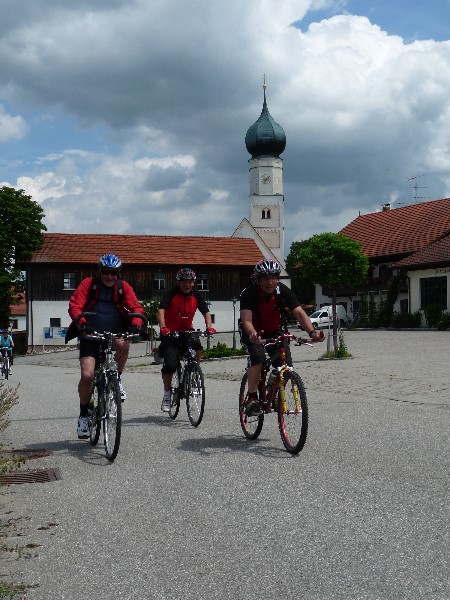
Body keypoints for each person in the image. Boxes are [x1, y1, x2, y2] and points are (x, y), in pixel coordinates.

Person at [67, 254, 145, 439]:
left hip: (115, 330)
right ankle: (84, 415)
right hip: (90, 332)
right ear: (100, 272)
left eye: (114, 273)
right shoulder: (89, 284)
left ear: (118, 273)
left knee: (123, 346)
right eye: (107, 272)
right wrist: (82, 323)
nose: (110, 277)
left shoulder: (122, 287)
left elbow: (136, 307)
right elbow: (75, 305)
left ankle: (116, 377)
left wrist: (136, 323)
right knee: (87, 376)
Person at [239, 258, 325, 415]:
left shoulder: (282, 290)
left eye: (273, 278)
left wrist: (312, 333)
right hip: (253, 332)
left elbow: (299, 312)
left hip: (276, 331)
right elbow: (246, 320)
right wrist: (252, 334)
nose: (270, 282)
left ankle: (276, 392)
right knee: (257, 356)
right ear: (257, 279)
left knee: (286, 367)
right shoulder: (249, 294)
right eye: (265, 278)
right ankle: (252, 398)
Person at [157, 267, 216, 412]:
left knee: (197, 346)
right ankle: (167, 394)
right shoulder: (171, 293)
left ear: (194, 283)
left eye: (190, 282)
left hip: (187, 330)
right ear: (179, 282)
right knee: (170, 365)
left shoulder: (196, 295)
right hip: (170, 333)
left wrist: (209, 327)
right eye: (184, 281)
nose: (187, 284)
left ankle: (195, 373)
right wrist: (163, 327)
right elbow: (161, 311)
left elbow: (206, 312)